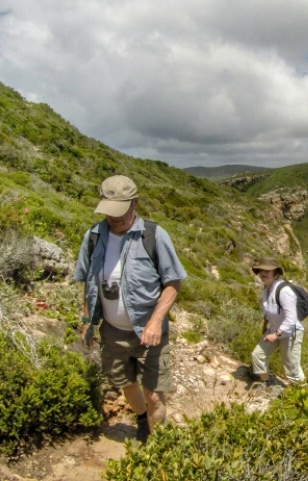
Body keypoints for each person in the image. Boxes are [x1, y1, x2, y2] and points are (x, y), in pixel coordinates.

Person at [73, 175, 186, 443]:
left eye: (120, 212)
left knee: (154, 393)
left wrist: (156, 321)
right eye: (110, 212)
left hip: (149, 333)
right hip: (112, 332)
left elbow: (173, 283)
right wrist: (87, 321)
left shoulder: (154, 236)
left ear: (135, 203)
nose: (115, 219)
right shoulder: (93, 237)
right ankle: (142, 422)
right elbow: (88, 283)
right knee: (125, 382)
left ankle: (157, 447)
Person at [250, 257, 305, 386]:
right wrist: (265, 325)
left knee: (291, 369)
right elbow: (268, 310)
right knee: (257, 355)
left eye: (267, 271)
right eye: (261, 270)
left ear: (275, 273)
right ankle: (266, 383)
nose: (263, 273)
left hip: (291, 332)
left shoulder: (284, 291)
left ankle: (304, 396)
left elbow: (291, 319)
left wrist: (275, 335)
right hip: (275, 329)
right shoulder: (266, 289)